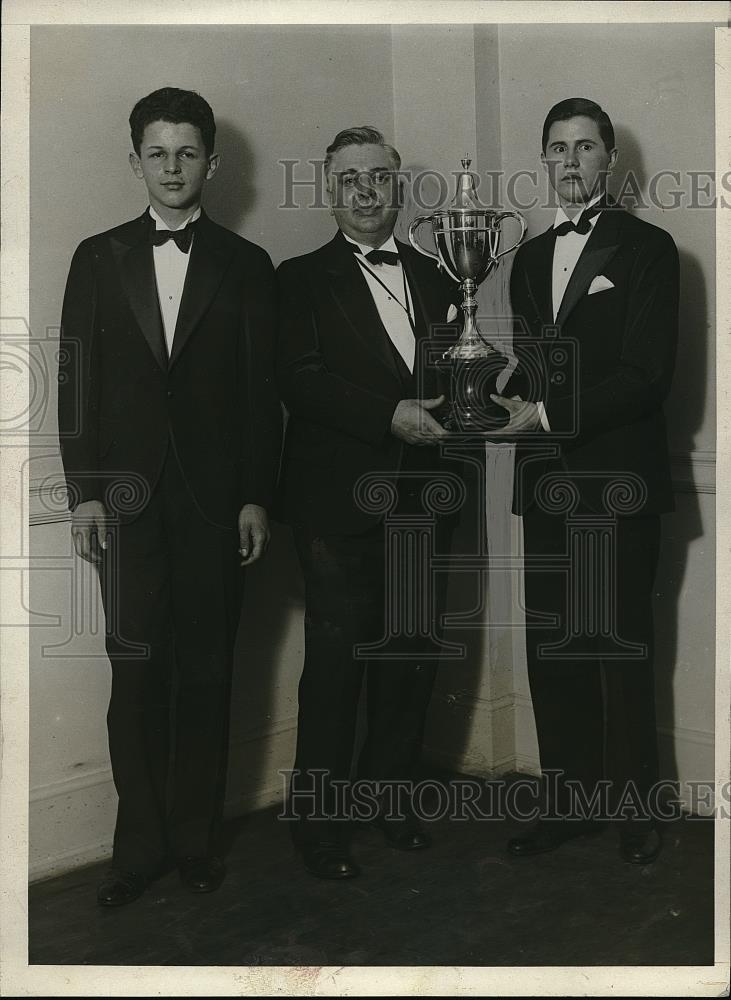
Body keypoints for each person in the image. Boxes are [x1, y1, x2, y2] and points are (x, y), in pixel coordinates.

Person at [57, 87, 282, 906]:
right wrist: (83, 494)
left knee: (208, 673)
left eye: (188, 153)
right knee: (137, 675)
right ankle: (136, 850)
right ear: (135, 162)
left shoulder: (247, 266)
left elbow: (263, 398)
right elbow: (75, 381)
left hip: (216, 504)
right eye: (158, 153)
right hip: (123, 503)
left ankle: (194, 841)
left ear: (212, 163)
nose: (173, 168)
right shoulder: (97, 256)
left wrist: (255, 497)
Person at [491, 98, 679, 865]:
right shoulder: (529, 259)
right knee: (553, 650)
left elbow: (645, 376)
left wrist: (536, 417)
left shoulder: (649, 248)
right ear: (544, 160)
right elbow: (535, 366)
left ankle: (636, 813)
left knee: (622, 650)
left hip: (617, 483)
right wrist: (489, 388)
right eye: (556, 149)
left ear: (609, 160)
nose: (569, 162)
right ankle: (566, 805)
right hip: (545, 486)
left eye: (584, 147)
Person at [276, 126, 461, 879]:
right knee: (335, 662)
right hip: (335, 506)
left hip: (424, 501)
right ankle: (318, 824)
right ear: (329, 190)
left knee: (408, 656)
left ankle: (390, 799)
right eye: (349, 178)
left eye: (378, 178)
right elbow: (300, 377)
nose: (364, 192)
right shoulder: (296, 277)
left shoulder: (442, 275)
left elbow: (461, 369)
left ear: (397, 187)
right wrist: (388, 416)